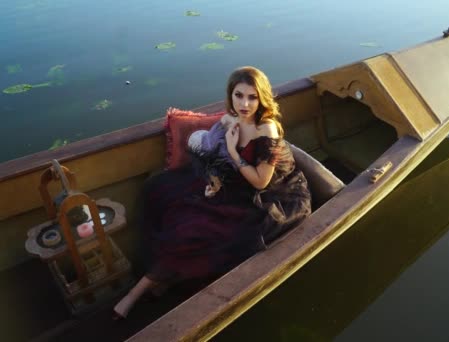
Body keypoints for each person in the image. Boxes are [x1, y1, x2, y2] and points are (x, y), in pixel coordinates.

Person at [112, 66, 312, 319]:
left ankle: (136, 292)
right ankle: (161, 279)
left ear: (262, 98)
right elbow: (217, 160)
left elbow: (261, 182)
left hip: (273, 194)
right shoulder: (229, 119)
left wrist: (233, 151)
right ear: (231, 95)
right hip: (238, 182)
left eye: (252, 97)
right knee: (161, 191)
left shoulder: (266, 128)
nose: (245, 104)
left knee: (196, 230)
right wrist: (214, 180)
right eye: (239, 95)